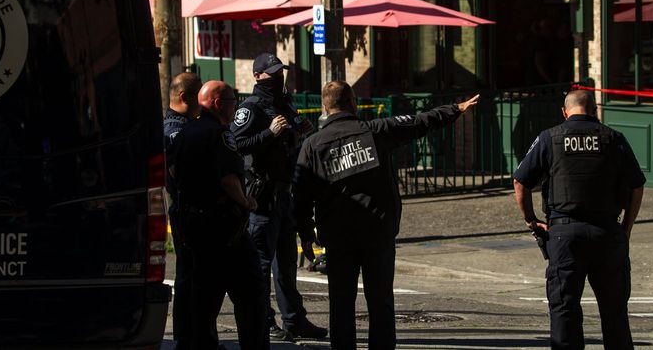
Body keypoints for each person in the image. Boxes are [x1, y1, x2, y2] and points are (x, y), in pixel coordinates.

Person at [294, 80, 479, 350]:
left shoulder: (312, 145)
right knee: (380, 302)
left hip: (338, 238)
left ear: (324, 106)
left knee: (341, 304)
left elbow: (300, 196)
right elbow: (419, 122)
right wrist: (455, 109)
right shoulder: (375, 131)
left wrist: (306, 234)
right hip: (377, 233)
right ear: (353, 102)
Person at [512, 89, 645, 350]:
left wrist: (531, 220)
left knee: (564, 309)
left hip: (565, 234)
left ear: (565, 112)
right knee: (614, 312)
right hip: (607, 232)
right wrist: (626, 228)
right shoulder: (613, 138)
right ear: (594, 109)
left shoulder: (549, 138)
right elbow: (637, 185)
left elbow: (520, 181)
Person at [230, 52, 326, 341]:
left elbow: (292, 144)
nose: (278, 77)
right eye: (272, 73)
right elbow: (236, 143)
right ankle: (263, 320)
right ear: (257, 76)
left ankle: (294, 320)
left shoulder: (285, 103)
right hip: (262, 198)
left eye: (280, 72)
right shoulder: (250, 109)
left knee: (286, 264)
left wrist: (302, 132)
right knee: (260, 265)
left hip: (285, 196)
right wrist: (269, 134)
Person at [173, 80, 268, 350]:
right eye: (232, 102)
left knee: (204, 300)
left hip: (194, 226)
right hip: (223, 229)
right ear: (217, 104)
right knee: (252, 296)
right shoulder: (220, 134)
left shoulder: (185, 132)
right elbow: (228, 178)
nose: (235, 107)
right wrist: (245, 200)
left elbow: (172, 173)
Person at [163, 72, 202, 350]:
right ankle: (186, 339)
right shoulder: (174, 131)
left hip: (190, 210)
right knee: (189, 277)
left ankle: (194, 337)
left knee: (195, 278)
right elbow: (181, 176)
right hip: (187, 210)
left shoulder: (187, 127)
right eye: (198, 95)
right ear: (184, 97)